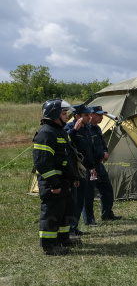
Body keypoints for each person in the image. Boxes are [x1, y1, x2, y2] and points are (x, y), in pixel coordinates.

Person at [33, 99, 80, 255]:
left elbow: (68, 156)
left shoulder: (59, 130)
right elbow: (42, 163)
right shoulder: (46, 133)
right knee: (52, 213)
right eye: (64, 113)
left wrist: (73, 177)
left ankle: (63, 239)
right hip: (53, 183)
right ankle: (49, 245)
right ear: (54, 114)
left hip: (64, 182)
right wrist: (54, 184)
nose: (67, 116)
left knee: (66, 211)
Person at [84, 105, 121, 223]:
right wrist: (101, 154)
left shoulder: (98, 128)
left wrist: (105, 152)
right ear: (91, 115)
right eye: (99, 114)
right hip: (89, 166)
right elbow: (88, 148)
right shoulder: (86, 129)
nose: (102, 117)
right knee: (88, 194)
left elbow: (102, 143)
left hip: (99, 165)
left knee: (107, 190)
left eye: (102, 114)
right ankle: (89, 220)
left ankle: (107, 214)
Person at [64, 104, 97, 236]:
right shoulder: (70, 128)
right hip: (76, 170)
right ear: (77, 116)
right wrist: (74, 131)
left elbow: (88, 150)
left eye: (89, 114)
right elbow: (64, 143)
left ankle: (74, 227)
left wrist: (92, 166)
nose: (89, 117)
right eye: (85, 115)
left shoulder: (87, 129)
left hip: (85, 170)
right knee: (75, 200)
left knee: (81, 199)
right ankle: (70, 229)